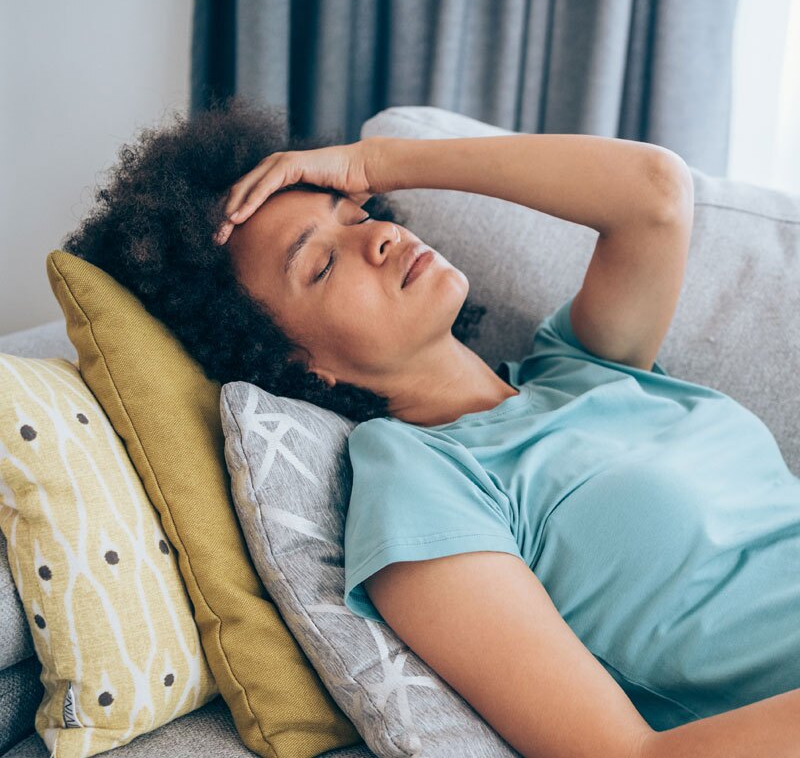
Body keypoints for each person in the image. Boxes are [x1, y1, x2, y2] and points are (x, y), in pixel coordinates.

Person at [63, 96, 800, 758]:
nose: (376, 238)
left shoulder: (579, 365)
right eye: (319, 265)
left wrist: (375, 159)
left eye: (357, 214)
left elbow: (656, 195)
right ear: (286, 361)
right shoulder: (417, 479)